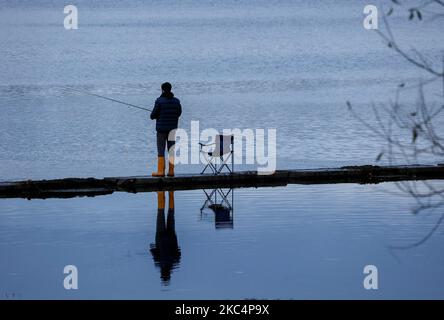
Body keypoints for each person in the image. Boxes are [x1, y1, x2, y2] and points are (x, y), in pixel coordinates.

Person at [150, 82, 182, 177]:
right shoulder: (176, 101)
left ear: (162, 89)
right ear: (170, 89)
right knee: (171, 150)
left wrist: (155, 116)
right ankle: (171, 171)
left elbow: (153, 115)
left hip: (161, 129)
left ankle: (160, 172)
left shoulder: (159, 101)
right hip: (172, 129)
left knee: (161, 149)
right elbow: (179, 113)